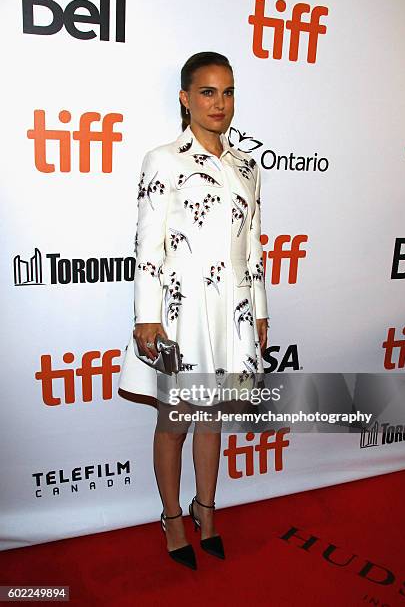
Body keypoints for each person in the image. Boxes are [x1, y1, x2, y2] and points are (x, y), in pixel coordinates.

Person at [118, 51, 269, 570]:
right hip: (180, 312)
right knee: (176, 420)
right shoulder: (163, 160)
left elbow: (252, 248)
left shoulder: (247, 166)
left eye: (227, 92)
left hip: (233, 311)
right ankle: (171, 516)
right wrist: (145, 316)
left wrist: (261, 311)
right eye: (207, 92)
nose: (219, 103)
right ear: (185, 98)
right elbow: (149, 246)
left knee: (213, 421)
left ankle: (207, 510)